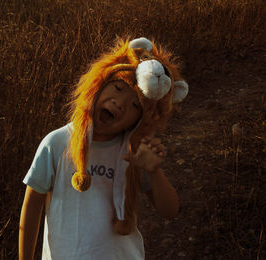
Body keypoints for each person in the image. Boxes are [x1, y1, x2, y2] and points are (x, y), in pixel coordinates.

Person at [19, 37, 188, 260]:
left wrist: (154, 171)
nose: (120, 103)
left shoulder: (134, 152)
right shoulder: (57, 143)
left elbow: (170, 211)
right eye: (117, 88)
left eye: (135, 105)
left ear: (140, 120)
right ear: (99, 85)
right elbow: (32, 207)